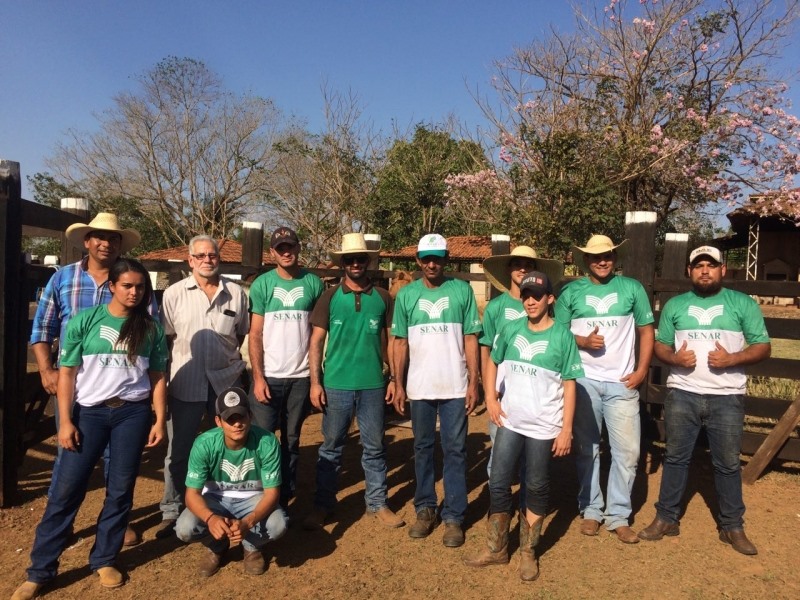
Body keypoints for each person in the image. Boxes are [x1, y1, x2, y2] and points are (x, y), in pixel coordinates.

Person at [12, 259, 167, 600]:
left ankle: (105, 558)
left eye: (140, 287)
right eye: (127, 285)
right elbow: (67, 373)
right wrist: (66, 420)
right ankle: (40, 570)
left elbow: (157, 376)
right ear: (112, 286)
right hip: (90, 414)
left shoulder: (150, 328)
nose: (134, 292)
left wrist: (158, 419)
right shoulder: (85, 321)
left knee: (120, 489)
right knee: (66, 489)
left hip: (132, 414)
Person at [29, 211, 154, 547]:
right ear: (87, 241)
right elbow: (42, 327)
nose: (106, 243)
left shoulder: (132, 281)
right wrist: (46, 369)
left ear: (120, 245)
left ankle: (113, 527)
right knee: (70, 457)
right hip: (75, 385)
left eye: (113, 238)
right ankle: (61, 525)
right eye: (100, 237)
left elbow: (149, 330)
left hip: (122, 388)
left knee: (119, 465)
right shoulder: (63, 278)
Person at [638, 246, 770, 555]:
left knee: (727, 464)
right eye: (699, 265)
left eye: (711, 265)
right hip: (682, 393)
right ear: (689, 271)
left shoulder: (742, 304)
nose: (705, 270)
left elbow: (763, 346)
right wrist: (674, 358)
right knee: (675, 458)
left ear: (723, 269)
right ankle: (666, 518)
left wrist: (732, 358)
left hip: (727, 397)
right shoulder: (675, 305)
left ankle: (732, 526)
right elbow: (661, 345)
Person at [465, 272, 583, 581]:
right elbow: (493, 360)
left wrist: (566, 429)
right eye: (526, 295)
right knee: (499, 481)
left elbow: (570, 384)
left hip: (544, 425)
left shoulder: (562, 336)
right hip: (510, 421)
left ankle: (528, 552)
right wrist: (491, 398)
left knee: (536, 485)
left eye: (537, 296)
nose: (530, 301)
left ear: (550, 299)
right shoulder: (511, 328)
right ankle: (496, 548)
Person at [554, 234, 654, 543]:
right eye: (596, 257)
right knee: (587, 448)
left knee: (628, 452)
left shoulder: (632, 288)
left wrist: (642, 371)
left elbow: (646, 330)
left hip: (622, 382)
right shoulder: (570, 292)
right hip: (584, 381)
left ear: (615, 258)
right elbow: (556, 333)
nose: (602, 261)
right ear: (586, 260)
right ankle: (591, 509)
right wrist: (583, 341)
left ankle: (618, 515)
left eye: (607, 255)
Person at [302, 233, 404, 530]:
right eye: (350, 259)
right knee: (331, 448)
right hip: (336, 384)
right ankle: (323, 506)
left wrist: (394, 378)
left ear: (368, 261)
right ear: (343, 263)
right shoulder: (330, 297)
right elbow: (316, 341)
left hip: (373, 384)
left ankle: (378, 503)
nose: (356, 263)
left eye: (361, 258)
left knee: (374, 446)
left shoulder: (383, 297)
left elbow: (392, 341)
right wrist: (315, 382)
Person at [156, 235, 250, 538]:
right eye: (201, 256)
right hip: (186, 382)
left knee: (228, 447)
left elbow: (241, 334)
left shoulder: (236, 293)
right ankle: (172, 509)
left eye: (212, 255)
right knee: (179, 450)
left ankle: (223, 506)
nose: (207, 260)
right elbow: (166, 338)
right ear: (190, 260)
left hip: (226, 383)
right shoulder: (174, 294)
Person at [392, 233, 482, 547]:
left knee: (455, 450)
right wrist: (398, 383)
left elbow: (471, 337)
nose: (432, 264)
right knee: (422, 448)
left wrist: (474, 381)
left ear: (446, 259)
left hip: (455, 385)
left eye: (438, 258)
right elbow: (400, 342)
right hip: (420, 387)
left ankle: (454, 516)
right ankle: (425, 508)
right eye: (427, 259)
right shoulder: (407, 295)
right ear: (418, 260)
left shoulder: (462, 290)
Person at [175, 387, 288, 577]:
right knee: (185, 528)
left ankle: (252, 546)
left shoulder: (267, 442)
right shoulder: (204, 444)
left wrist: (248, 522)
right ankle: (217, 545)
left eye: (241, 417)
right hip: (214, 498)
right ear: (218, 421)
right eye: (230, 419)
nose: (237, 424)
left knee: (278, 525)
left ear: (250, 416)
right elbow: (191, 494)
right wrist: (211, 519)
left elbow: (272, 493)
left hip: (254, 498)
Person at [248, 227, 324, 508]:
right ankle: (261, 496)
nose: (286, 252)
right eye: (280, 248)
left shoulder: (313, 283)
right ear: (272, 253)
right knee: (263, 439)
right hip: (269, 376)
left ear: (298, 248)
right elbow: (255, 334)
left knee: (292, 439)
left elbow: (318, 333)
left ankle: (285, 495)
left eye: (290, 246)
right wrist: (258, 377)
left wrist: (315, 379)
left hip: (300, 376)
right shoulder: (263, 284)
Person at [480, 245, 564, 481]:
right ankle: (498, 498)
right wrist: (489, 392)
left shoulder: (547, 307)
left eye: (529, 265)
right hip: (502, 392)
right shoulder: (496, 307)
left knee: (531, 458)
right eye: (517, 264)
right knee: (499, 450)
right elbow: (486, 348)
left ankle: (527, 500)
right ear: (509, 268)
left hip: (535, 393)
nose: (523, 269)